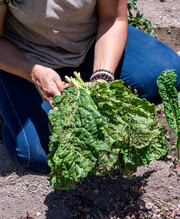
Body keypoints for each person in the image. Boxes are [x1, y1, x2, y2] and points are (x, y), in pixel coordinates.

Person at [0, 0, 180, 173]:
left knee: (166, 77)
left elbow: (113, 18)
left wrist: (102, 77)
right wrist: (34, 73)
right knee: (39, 156)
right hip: (25, 59)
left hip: (91, 43)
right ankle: (11, 114)